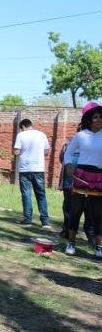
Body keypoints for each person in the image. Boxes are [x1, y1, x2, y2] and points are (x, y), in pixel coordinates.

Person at [63, 102, 102, 258]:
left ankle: (99, 246)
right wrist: (68, 165)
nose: (99, 120)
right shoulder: (81, 136)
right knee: (76, 211)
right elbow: (68, 153)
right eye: (96, 117)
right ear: (89, 119)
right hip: (81, 176)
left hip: (99, 177)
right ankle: (71, 243)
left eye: (101, 117)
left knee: (98, 214)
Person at [13, 119, 51, 228]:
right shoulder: (42, 135)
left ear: (23, 126)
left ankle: (27, 219)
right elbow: (47, 152)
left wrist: (23, 153)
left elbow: (16, 151)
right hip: (38, 168)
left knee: (26, 194)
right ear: (31, 125)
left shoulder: (21, 135)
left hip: (25, 168)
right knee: (41, 194)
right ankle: (45, 221)